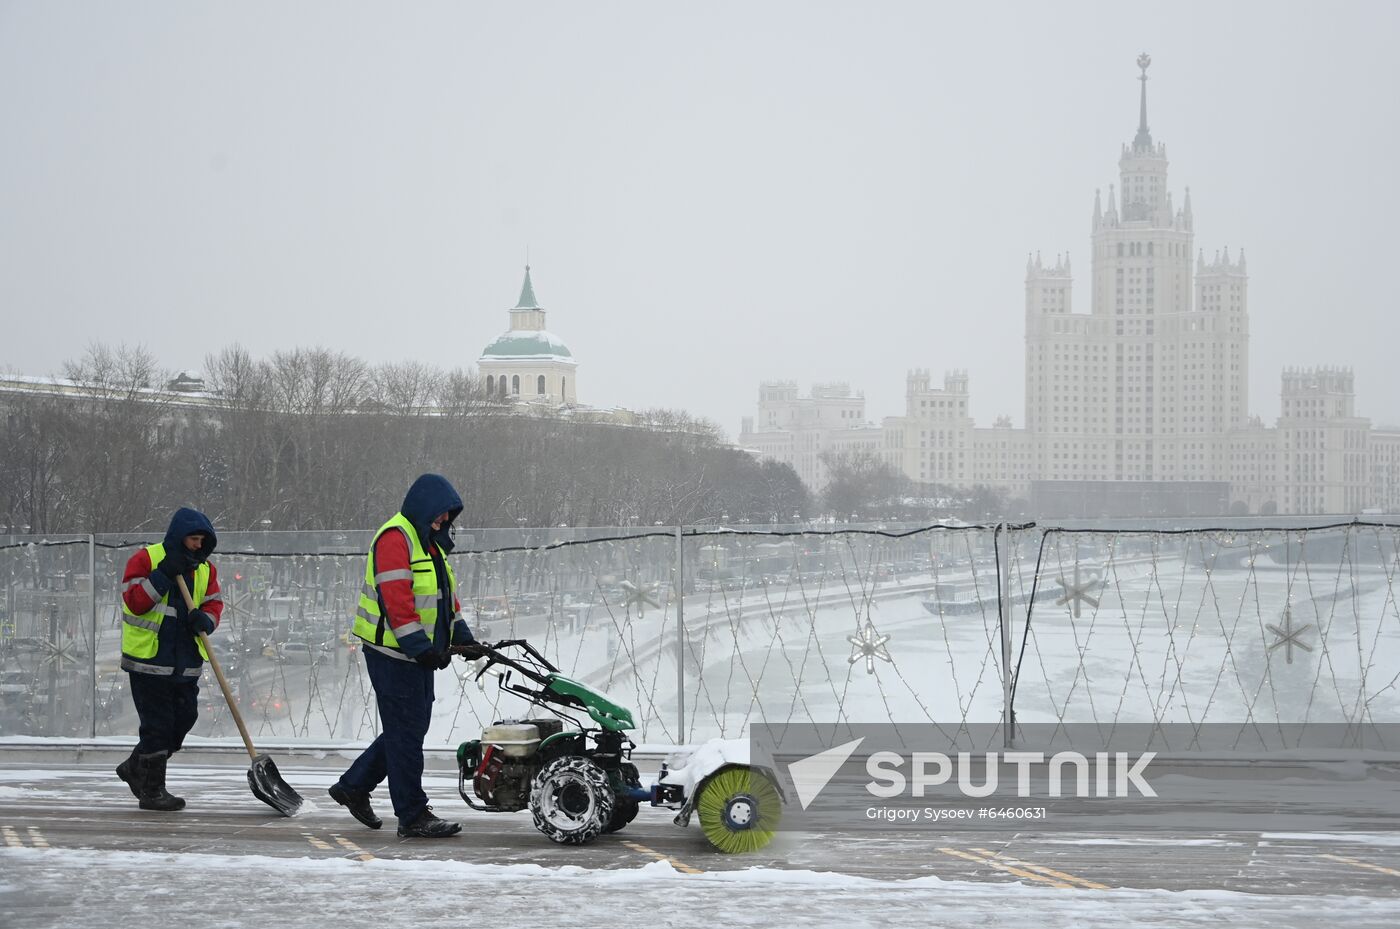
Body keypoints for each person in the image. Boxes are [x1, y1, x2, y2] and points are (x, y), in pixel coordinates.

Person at [329, 473, 478, 838]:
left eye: (448, 517)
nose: (445, 522)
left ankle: (354, 786)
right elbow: (397, 603)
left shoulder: (430, 545)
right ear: (424, 507)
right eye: (441, 515)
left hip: (415, 655)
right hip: (392, 654)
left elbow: (445, 603)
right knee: (407, 734)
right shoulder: (395, 539)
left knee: (406, 729)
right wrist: (421, 650)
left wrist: (463, 638)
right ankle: (411, 815)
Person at [116, 507, 222, 811]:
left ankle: (136, 766)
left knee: (185, 717)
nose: (198, 545)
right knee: (157, 726)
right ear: (179, 537)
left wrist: (207, 620)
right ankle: (152, 790)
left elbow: (214, 603)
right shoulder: (146, 559)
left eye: (203, 540)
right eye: (193, 539)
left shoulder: (205, 569)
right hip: (150, 660)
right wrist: (163, 574)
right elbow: (135, 602)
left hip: (186, 662)